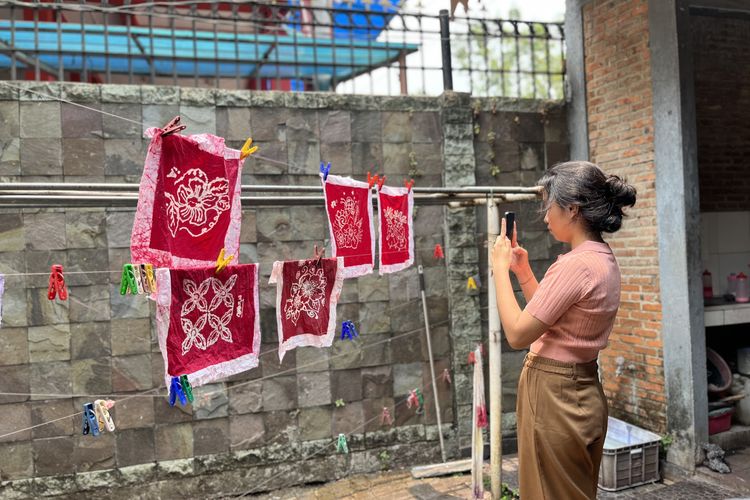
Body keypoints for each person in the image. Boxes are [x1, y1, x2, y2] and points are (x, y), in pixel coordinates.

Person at [491, 161, 637, 499]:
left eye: (549, 206)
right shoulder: (601, 258)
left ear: (571, 209)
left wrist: (499, 269)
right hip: (580, 388)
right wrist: (523, 273)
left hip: (554, 393)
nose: (545, 217)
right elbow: (554, 319)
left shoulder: (575, 264)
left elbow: (517, 333)